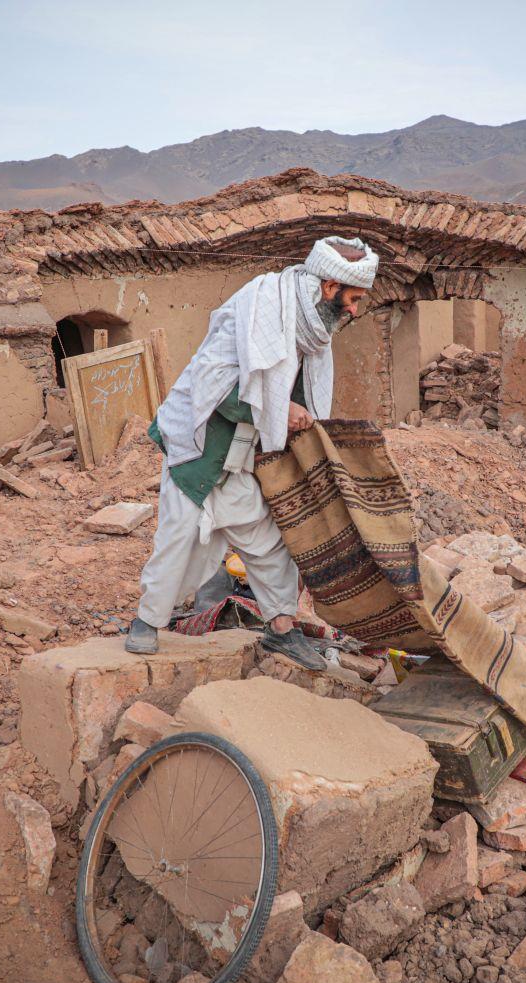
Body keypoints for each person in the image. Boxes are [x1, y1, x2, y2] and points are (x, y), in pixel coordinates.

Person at [124, 236, 378, 670]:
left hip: (242, 458)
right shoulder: (264, 305)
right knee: (178, 539)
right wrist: (283, 411)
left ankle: (282, 629)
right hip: (200, 450)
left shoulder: (311, 332)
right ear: (328, 286)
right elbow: (216, 388)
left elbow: (292, 393)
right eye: (352, 299)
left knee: (268, 545)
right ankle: (146, 624)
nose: (354, 310)